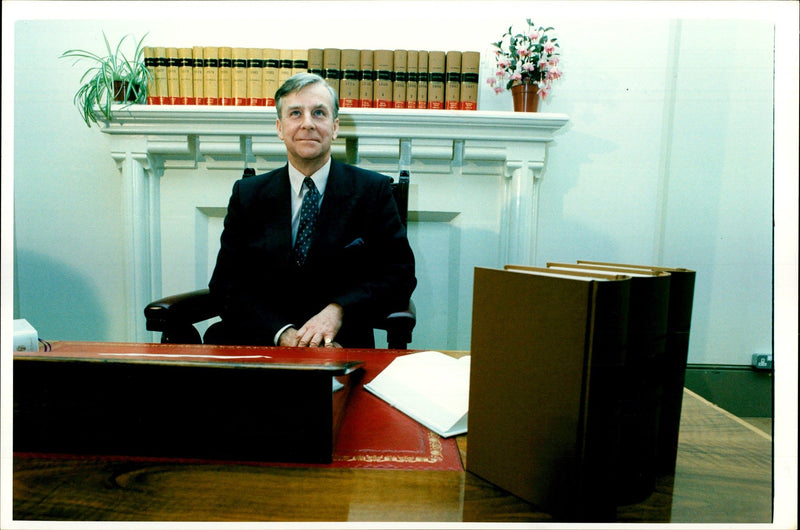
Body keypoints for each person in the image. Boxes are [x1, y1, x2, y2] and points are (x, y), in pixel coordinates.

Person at [207, 72, 416, 348]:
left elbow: (400, 275)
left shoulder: (372, 191)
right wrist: (282, 333)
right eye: (296, 113)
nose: (308, 123)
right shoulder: (248, 195)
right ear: (280, 128)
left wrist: (337, 311)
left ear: (335, 126)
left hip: (341, 347)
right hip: (263, 344)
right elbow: (226, 284)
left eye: (319, 113)